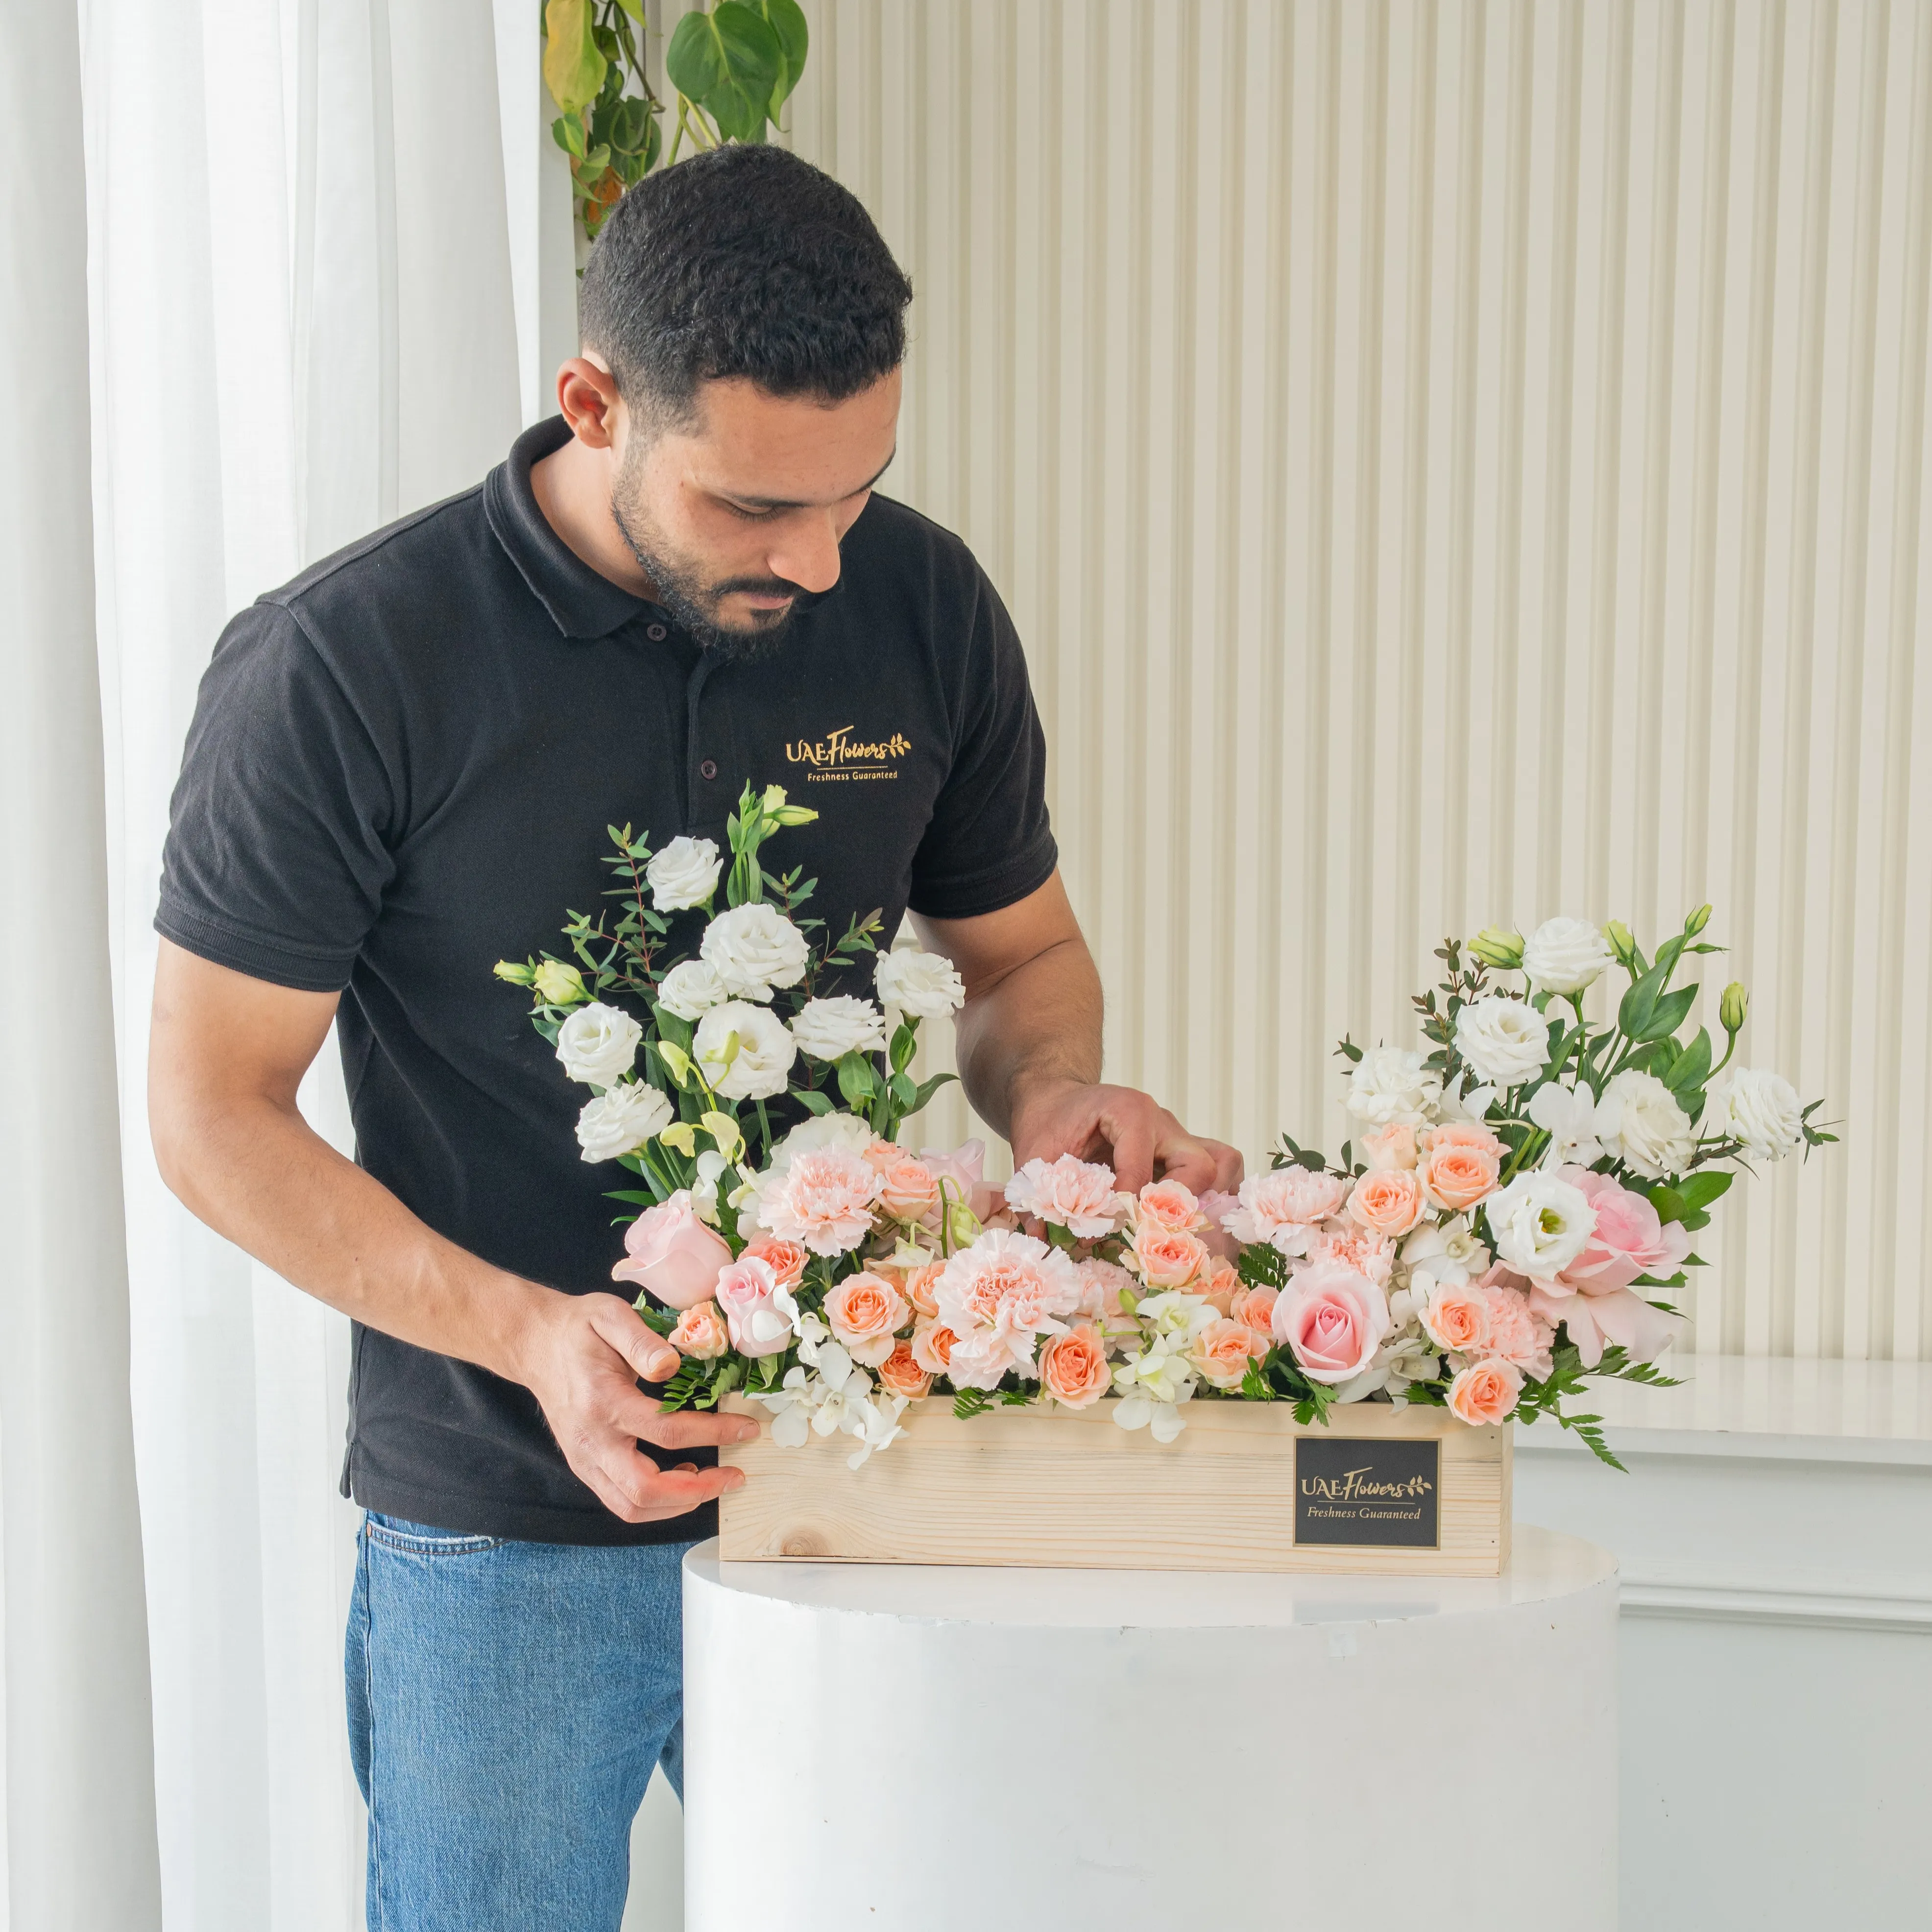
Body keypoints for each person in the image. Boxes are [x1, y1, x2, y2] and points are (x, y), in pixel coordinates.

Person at [147, 144, 1241, 1932]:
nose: (818, 562)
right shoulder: (343, 667)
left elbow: (1022, 954)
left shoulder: (925, 605)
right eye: (753, 511)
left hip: (873, 1468)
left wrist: (1055, 1097)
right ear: (594, 403)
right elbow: (212, 1113)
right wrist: (526, 1336)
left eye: (856, 496)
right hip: (507, 1520)